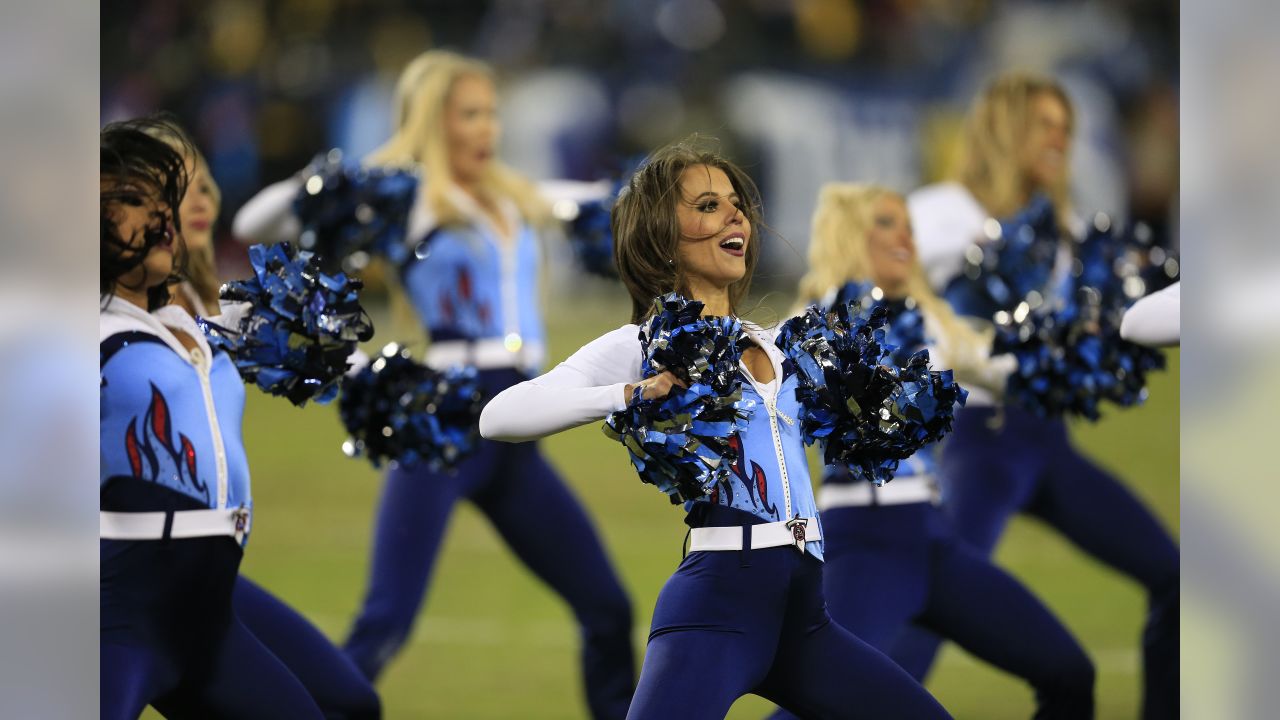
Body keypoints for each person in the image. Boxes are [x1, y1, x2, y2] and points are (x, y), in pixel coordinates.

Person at [479, 141, 953, 719]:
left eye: (736, 203)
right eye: (708, 205)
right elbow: (498, 416)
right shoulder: (643, 345)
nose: (736, 216)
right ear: (661, 235)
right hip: (718, 606)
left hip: (805, 619)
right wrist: (627, 396)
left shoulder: (781, 345)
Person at [234, 50, 635, 719]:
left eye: (491, 113)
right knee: (386, 621)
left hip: (517, 422)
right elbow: (255, 224)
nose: (487, 129)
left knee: (607, 606)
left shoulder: (514, 195)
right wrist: (328, 181)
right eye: (468, 114)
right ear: (432, 122)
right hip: (446, 417)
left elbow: (608, 203)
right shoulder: (404, 199)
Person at [904, 73, 1179, 719]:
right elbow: (881, 300)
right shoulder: (940, 211)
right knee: (934, 602)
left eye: (1065, 127)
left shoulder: (1065, 225)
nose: (1059, 140)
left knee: (1176, 578)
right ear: (1004, 131)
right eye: (1044, 126)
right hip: (978, 439)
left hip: (1046, 443)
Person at [770, 183, 1095, 719]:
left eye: (908, 226)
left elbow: (1003, 369)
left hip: (936, 542)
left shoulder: (931, 320)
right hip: (865, 544)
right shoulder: (817, 322)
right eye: (886, 223)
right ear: (851, 235)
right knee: (811, 708)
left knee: (1069, 673)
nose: (905, 237)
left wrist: (1082, 350)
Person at [142, 118, 382, 719]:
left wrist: (396, 384)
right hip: (135, 573)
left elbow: (324, 354)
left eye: (202, 184)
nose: (198, 200)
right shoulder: (112, 315)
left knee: (349, 701)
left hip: (207, 573)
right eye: (176, 186)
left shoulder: (210, 302)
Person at [99, 118, 323, 719]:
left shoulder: (187, 322)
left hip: (210, 620)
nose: (163, 219)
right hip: (118, 618)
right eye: (134, 203)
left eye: (164, 201)